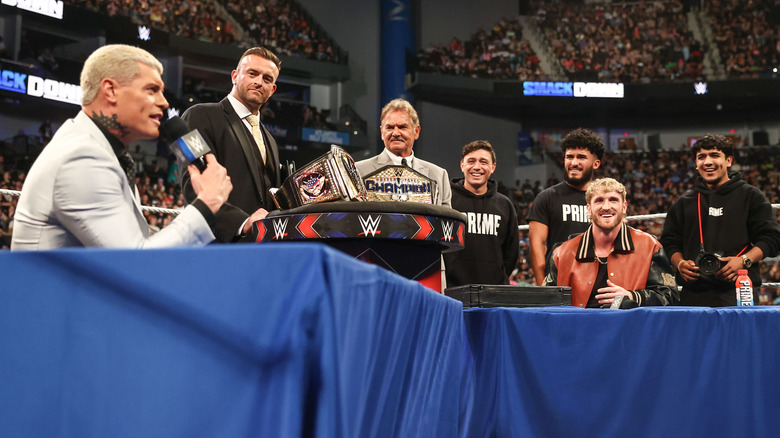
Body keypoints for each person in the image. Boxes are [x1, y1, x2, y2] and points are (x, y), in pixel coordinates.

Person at [11, 44, 232, 250]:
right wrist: (205, 205)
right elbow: (134, 262)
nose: (164, 102)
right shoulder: (82, 157)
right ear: (110, 90)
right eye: (152, 89)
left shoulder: (103, 149)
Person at [660, 134, 780, 306]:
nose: (707, 162)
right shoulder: (683, 203)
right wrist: (680, 264)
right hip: (693, 293)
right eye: (701, 157)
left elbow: (772, 239)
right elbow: (669, 243)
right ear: (696, 164)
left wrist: (743, 260)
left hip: (739, 289)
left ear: (729, 161)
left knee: (739, 334)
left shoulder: (751, 196)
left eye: (714, 155)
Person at [181, 47, 282, 243]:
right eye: (252, 73)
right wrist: (242, 223)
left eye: (267, 79)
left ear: (272, 90)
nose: (259, 82)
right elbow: (193, 183)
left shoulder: (270, 140)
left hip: (263, 251)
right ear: (235, 76)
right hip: (217, 248)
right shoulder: (196, 116)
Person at [545, 178, 679, 308]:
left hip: (628, 329)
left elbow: (670, 296)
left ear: (624, 207)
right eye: (599, 201)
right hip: (578, 329)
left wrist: (632, 297)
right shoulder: (562, 253)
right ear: (589, 209)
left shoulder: (650, 246)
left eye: (613, 200)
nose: (606, 207)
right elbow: (545, 301)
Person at [527, 128, 605, 285]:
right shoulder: (547, 197)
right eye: (569, 157)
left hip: (599, 282)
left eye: (581, 157)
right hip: (558, 280)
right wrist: (543, 288)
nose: (574, 163)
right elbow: (537, 246)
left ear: (596, 163)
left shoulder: (606, 200)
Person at [444, 140, 519, 287]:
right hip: (452, 289)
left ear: (493, 167)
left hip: (494, 291)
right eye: (471, 161)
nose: (477, 167)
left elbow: (511, 252)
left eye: (483, 162)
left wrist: (498, 277)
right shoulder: (447, 200)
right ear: (462, 165)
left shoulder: (505, 205)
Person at [356, 98, 452, 207]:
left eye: (402, 127)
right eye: (390, 127)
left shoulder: (439, 175)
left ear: (416, 131)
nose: (396, 133)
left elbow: (447, 221)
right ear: (382, 132)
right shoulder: (359, 171)